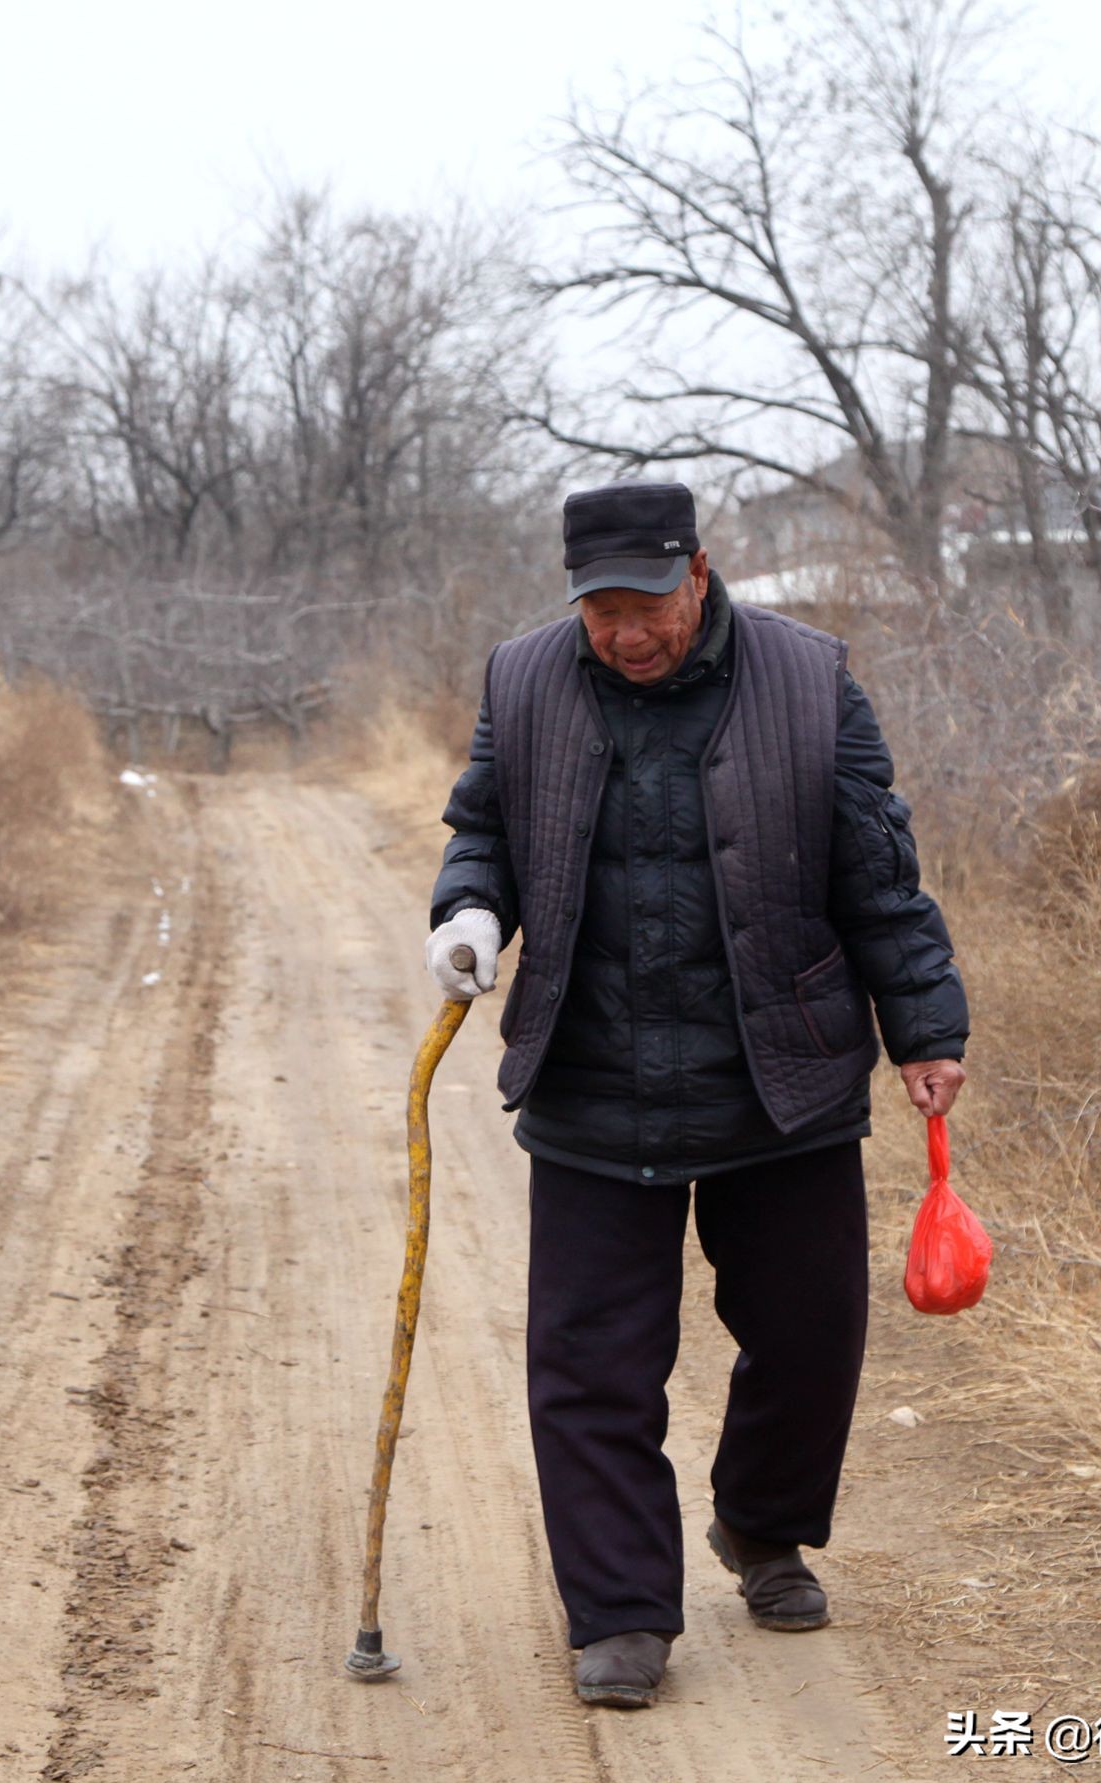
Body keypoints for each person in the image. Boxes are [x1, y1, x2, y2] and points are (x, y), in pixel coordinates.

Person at [423, 480, 969, 1709]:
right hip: (593, 1075)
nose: (625, 632)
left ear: (701, 574)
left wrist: (924, 1025)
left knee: (808, 1332)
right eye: (601, 609)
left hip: (781, 1075)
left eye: (647, 604)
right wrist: (468, 909)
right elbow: (483, 833)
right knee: (592, 1360)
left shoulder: (809, 680)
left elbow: (881, 876)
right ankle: (620, 1611)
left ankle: (764, 1530)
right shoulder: (522, 681)